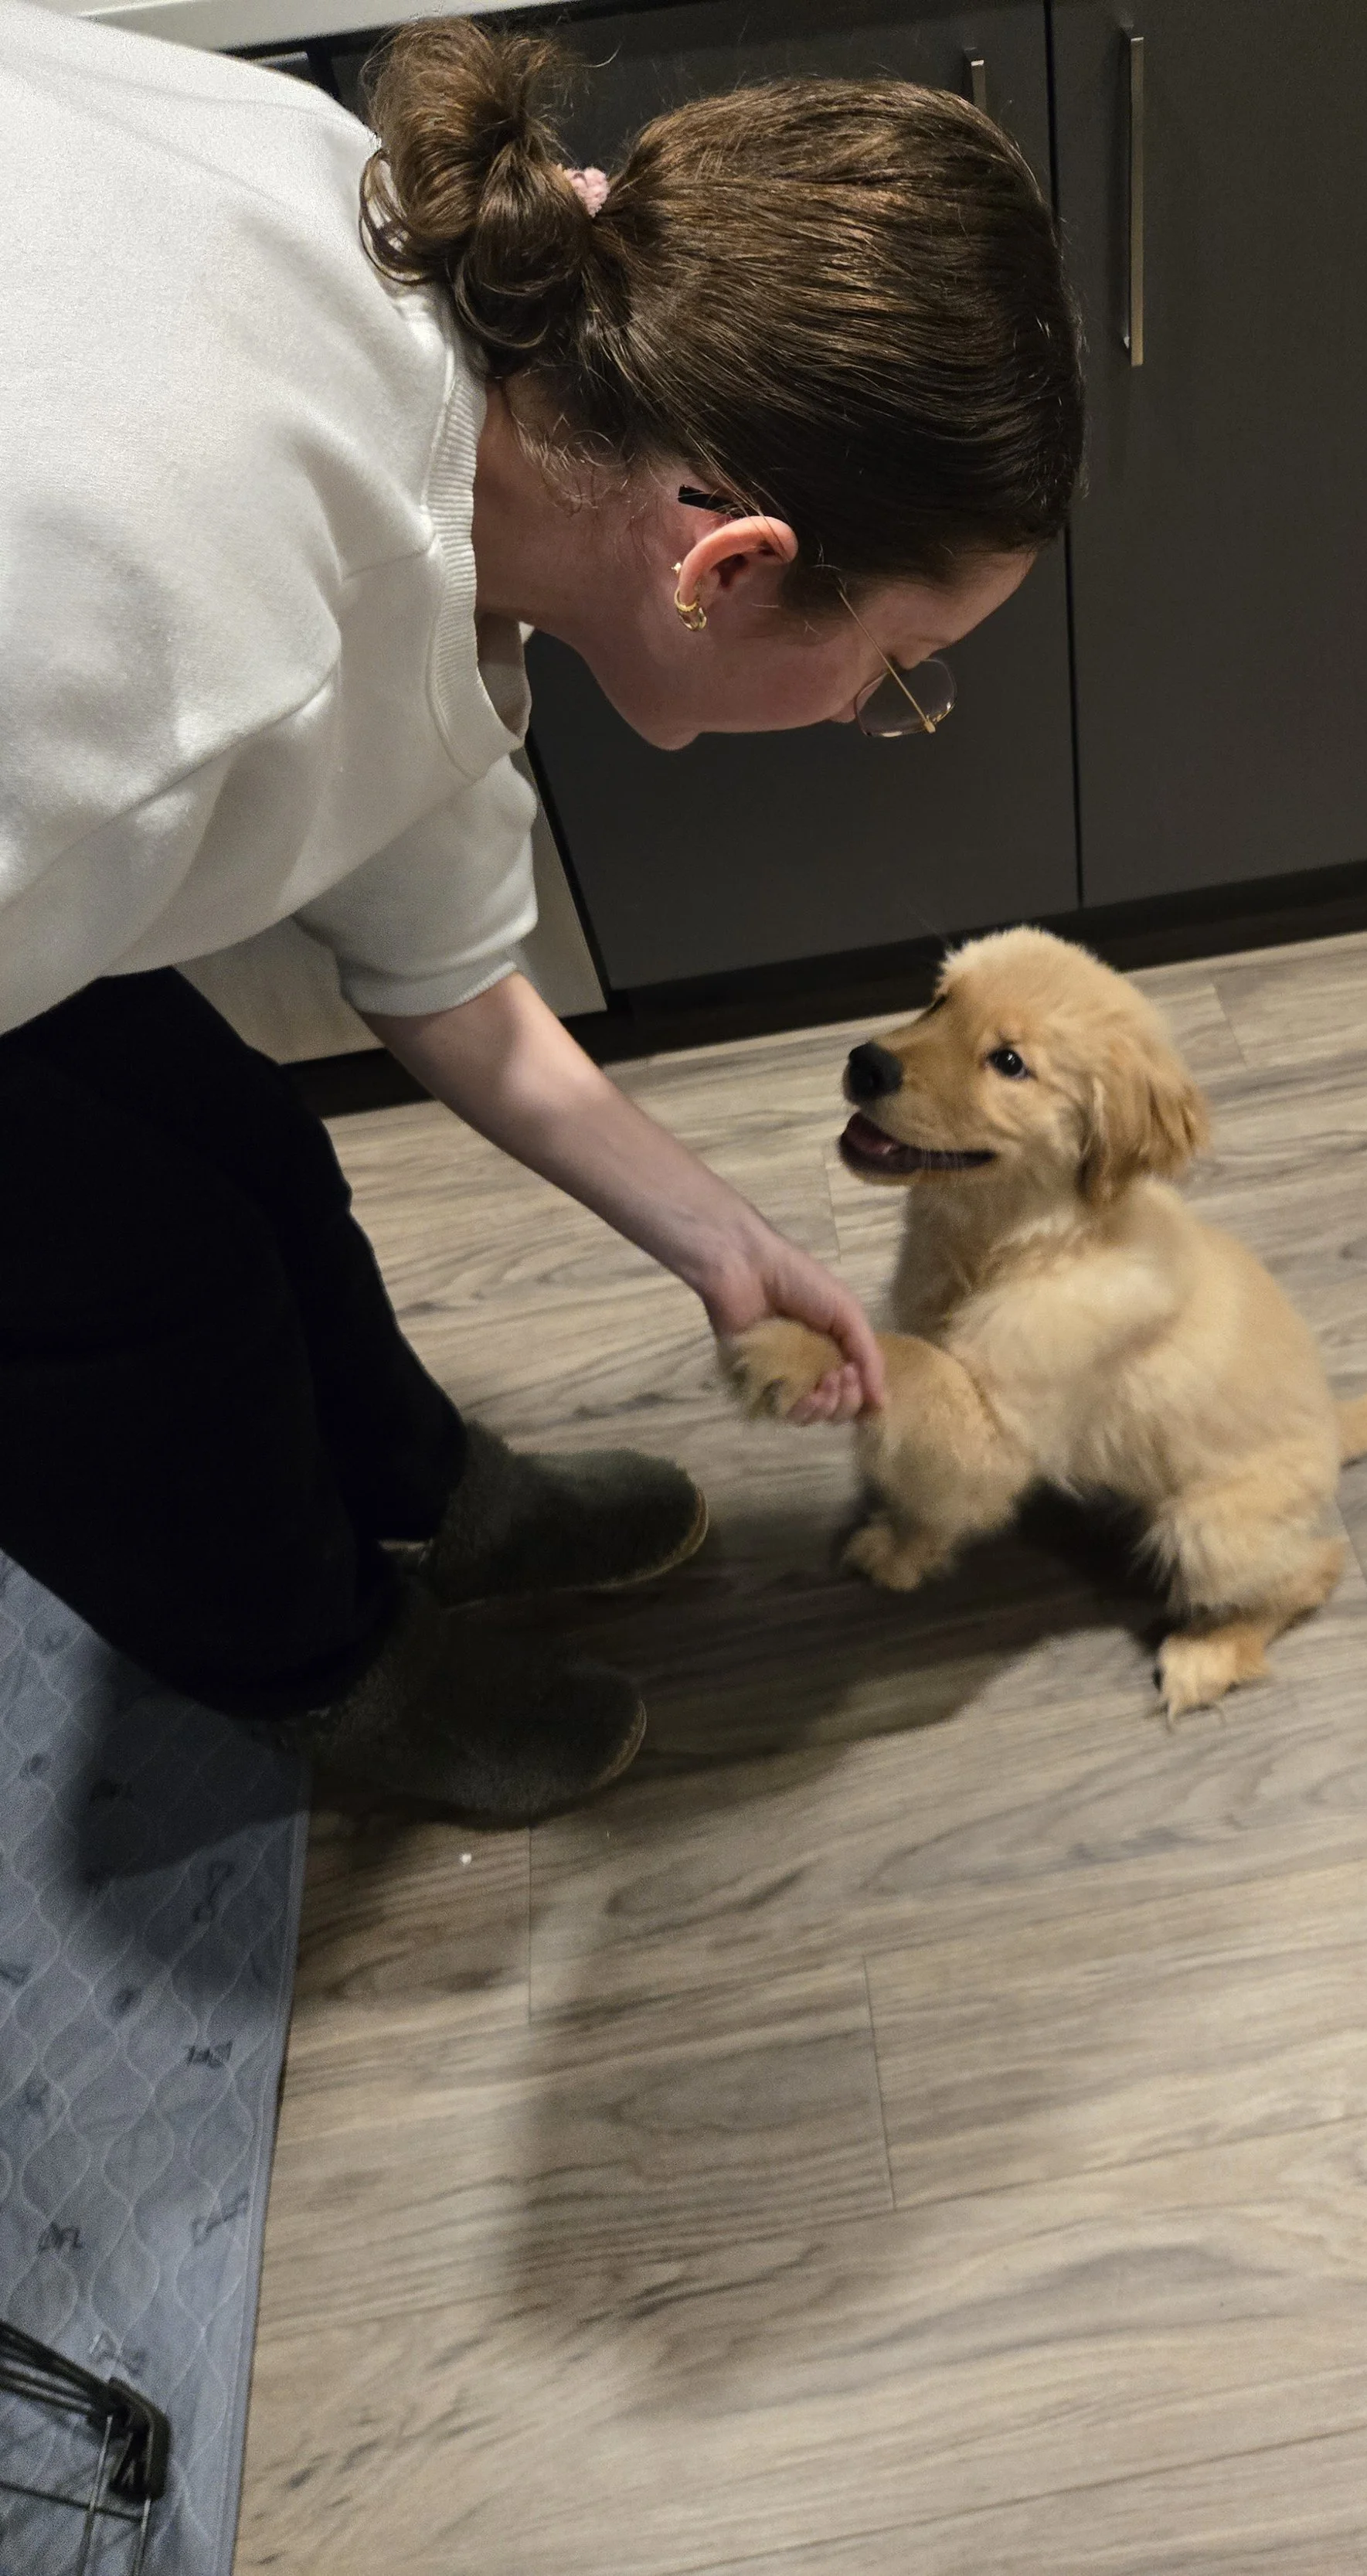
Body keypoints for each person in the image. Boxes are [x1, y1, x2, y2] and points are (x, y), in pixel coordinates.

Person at [0, 9, 1083, 1822]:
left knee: (241, 1150)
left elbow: (427, 931)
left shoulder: (444, 352)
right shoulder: (179, 645)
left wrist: (712, 1231)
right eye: (895, 668)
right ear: (729, 565)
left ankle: (425, 1492)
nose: (874, 712)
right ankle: (316, 1667)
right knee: (128, 1307)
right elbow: (256, 694)